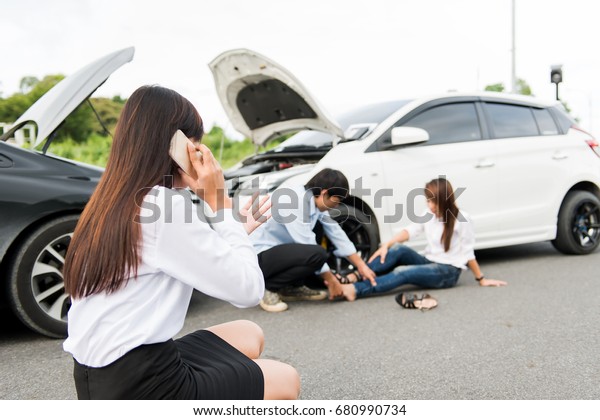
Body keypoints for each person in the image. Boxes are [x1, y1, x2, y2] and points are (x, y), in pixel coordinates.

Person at [62, 85, 300, 400]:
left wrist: (236, 229)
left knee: (249, 333)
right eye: (195, 142)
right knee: (286, 380)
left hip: (102, 373)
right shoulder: (163, 206)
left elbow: (191, 255)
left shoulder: (116, 197)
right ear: (174, 145)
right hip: (141, 384)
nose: (199, 152)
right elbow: (248, 291)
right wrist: (220, 204)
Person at [341, 177, 507, 308]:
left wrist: (482, 279)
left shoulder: (462, 220)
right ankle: (356, 275)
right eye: (428, 200)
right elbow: (410, 231)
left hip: (448, 272)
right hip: (430, 261)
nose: (430, 205)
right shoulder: (429, 213)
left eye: (434, 201)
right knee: (398, 249)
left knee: (402, 272)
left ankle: (356, 289)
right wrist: (386, 245)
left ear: (445, 200)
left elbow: (468, 252)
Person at [249, 168, 376, 312]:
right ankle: (268, 287)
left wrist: (361, 266)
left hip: (275, 252)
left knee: (319, 232)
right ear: (324, 193)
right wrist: (332, 281)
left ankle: (292, 287)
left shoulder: (313, 203)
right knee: (317, 254)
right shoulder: (294, 202)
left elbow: (336, 232)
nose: (337, 205)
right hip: (256, 257)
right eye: (337, 200)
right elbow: (306, 244)